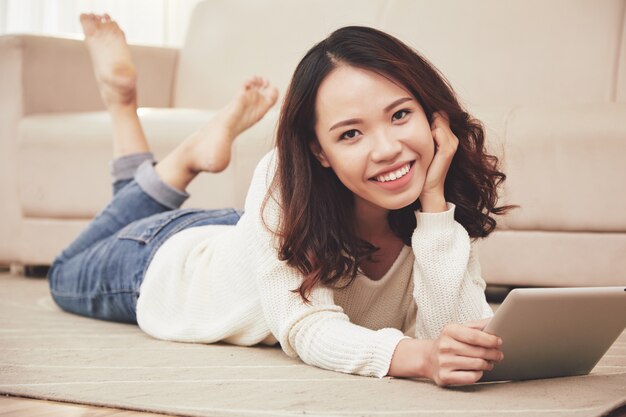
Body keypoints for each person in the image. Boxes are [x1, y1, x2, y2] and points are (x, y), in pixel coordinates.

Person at [48, 13, 512, 387]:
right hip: (160, 266)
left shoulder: (438, 199)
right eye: (350, 133)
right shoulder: (284, 180)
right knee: (64, 272)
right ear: (319, 152)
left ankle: (167, 141)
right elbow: (306, 328)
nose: (387, 148)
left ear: (433, 117)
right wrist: (419, 358)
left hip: (241, 234)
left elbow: (460, 336)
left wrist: (434, 205)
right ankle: (152, 129)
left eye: (400, 115)